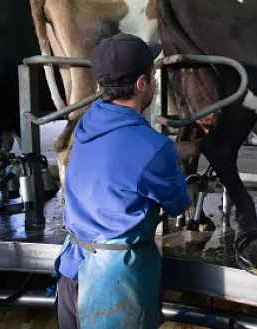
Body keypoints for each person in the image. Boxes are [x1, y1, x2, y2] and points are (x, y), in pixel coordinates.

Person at [53, 33, 192, 329]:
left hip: (71, 272)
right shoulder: (154, 148)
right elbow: (179, 203)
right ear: (142, 84)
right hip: (113, 285)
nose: (154, 82)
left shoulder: (85, 125)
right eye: (153, 76)